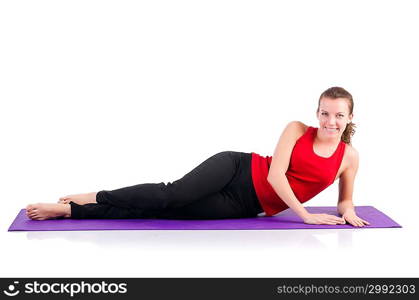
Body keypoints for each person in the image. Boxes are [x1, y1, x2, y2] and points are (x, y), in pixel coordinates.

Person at [26, 86, 370, 227]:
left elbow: (345, 202)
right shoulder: (296, 129)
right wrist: (305, 215)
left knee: (165, 213)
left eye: (339, 116)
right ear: (317, 112)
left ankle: (71, 211)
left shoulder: (349, 157)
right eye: (325, 113)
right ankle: (92, 197)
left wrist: (349, 212)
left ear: (349, 118)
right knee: (170, 193)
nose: (330, 121)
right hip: (237, 168)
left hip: (244, 205)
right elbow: (275, 176)